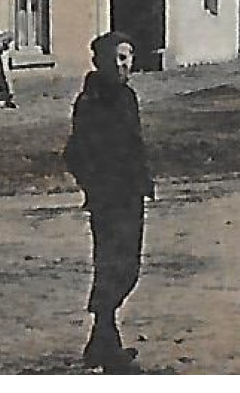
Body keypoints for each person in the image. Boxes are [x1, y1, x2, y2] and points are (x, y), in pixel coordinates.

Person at [64, 31, 153, 373]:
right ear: (98, 62)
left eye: (127, 57)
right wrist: (94, 187)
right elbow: (76, 153)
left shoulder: (128, 97)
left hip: (131, 193)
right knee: (112, 266)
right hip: (108, 198)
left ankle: (100, 342)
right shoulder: (90, 102)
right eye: (116, 57)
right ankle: (107, 344)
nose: (123, 64)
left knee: (128, 267)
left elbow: (135, 143)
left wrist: (143, 179)